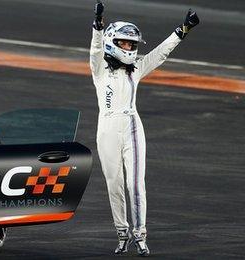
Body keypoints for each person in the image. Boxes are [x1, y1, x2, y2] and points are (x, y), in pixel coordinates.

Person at [89, 0, 199, 256]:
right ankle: (121, 234)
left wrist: (183, 29)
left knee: (136, 185)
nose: (129, 48)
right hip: (106, 128)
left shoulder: (136, 68)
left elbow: (160, 53)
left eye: (131, 44)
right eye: (124, 43)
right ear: (112, 42)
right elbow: (95, 48)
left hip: (131, 126)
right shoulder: (99, 70)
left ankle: (140, 236)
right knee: (113, 184)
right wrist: (97, 25)